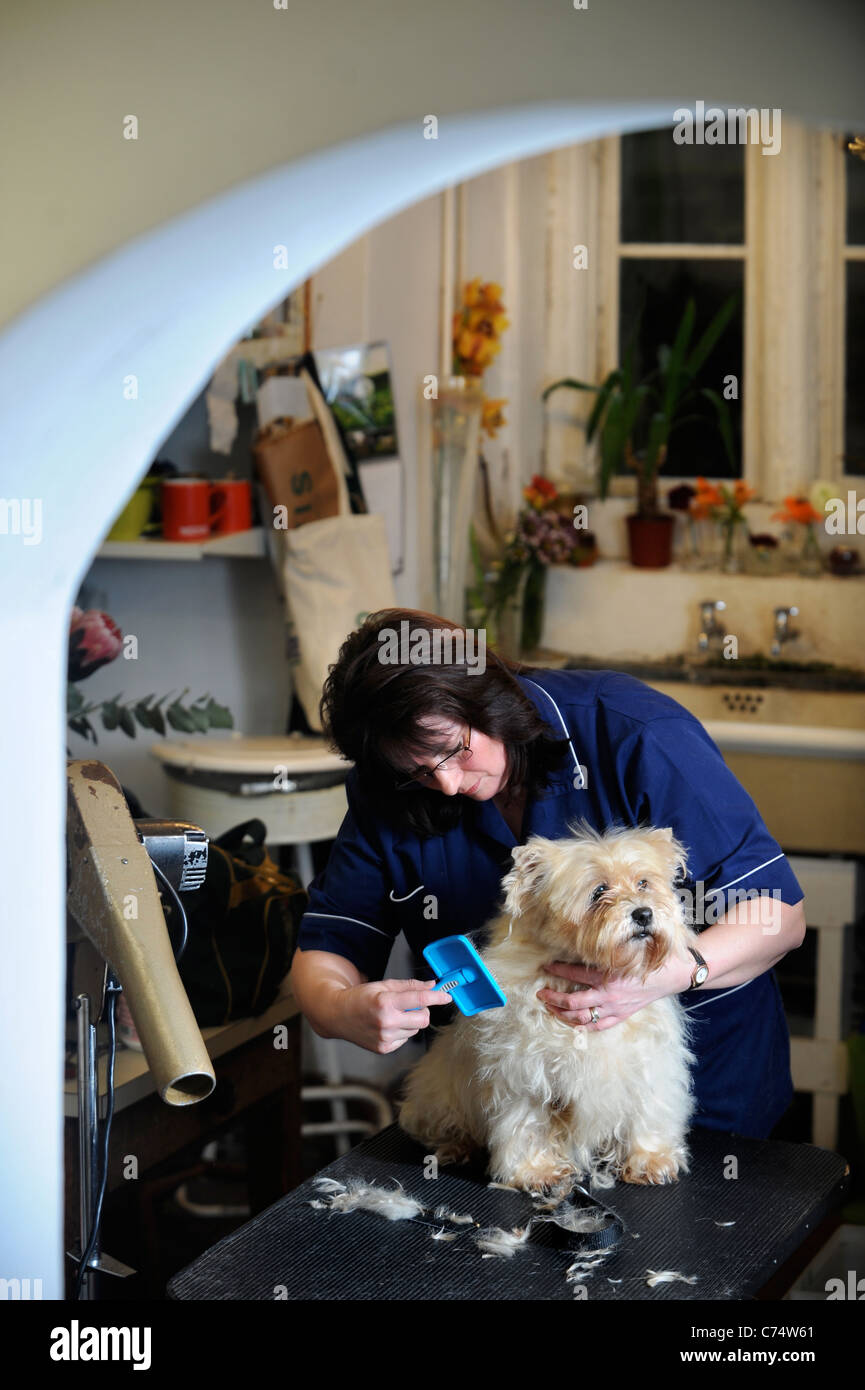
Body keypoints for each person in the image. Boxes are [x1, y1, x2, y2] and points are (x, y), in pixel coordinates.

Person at [290, 608, 806, 1138]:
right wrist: (343, 1008)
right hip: (515, 1107)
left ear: (484, 695)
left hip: (701, 1089)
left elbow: (780, 916)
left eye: (452, 750)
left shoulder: (633, 731)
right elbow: (329, 946)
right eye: (419, 770)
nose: (446, 784)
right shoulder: (389, 789)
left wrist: (666, 977)